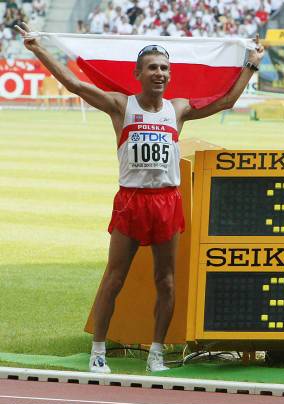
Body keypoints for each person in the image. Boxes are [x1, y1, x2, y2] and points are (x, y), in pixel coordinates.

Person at [15, 22, 265, 374]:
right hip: (132, 201)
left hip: (167, 202)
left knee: (166, 280)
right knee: (114, 277)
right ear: (138, 73)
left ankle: (157, 353)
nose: (160, 73)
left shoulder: (177, 109)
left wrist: (251, 63)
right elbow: (74, 83)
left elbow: (227, 101)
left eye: (165, 68)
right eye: (153, 68)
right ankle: (98, 352)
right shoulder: (120, 105)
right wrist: (37, 47)